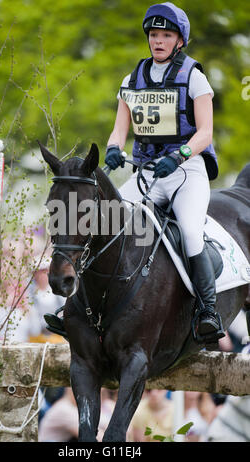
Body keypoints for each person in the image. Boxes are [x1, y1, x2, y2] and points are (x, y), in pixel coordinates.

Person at [104, 2, 225, 343]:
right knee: (105, 221)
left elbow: (205, 133)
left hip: (186, 171)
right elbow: (119, 129)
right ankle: (82, 304)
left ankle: (207, 311)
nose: (158, 41)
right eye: (154, 35)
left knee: (189, 231)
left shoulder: (194, 77)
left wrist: (180, 154)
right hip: (147, 173)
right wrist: (114, 148)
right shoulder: (133, 78)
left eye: (166, 35)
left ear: (179, 41)